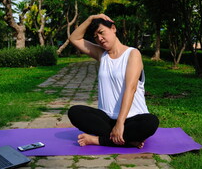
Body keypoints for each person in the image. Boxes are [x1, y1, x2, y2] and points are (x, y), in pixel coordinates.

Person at [67, 14, 159, 148]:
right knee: (75, 112)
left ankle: (98, 140)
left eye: (101, 32)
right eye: (95, 37)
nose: (100, 38)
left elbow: (130, 88)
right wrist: (92, 18)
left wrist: (120, 123)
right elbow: (74, 38)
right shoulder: (102, 54)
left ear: (113, 28)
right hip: (107, 119)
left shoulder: (133, 54)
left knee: (151, 122)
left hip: (132, 119)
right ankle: (128, 141)